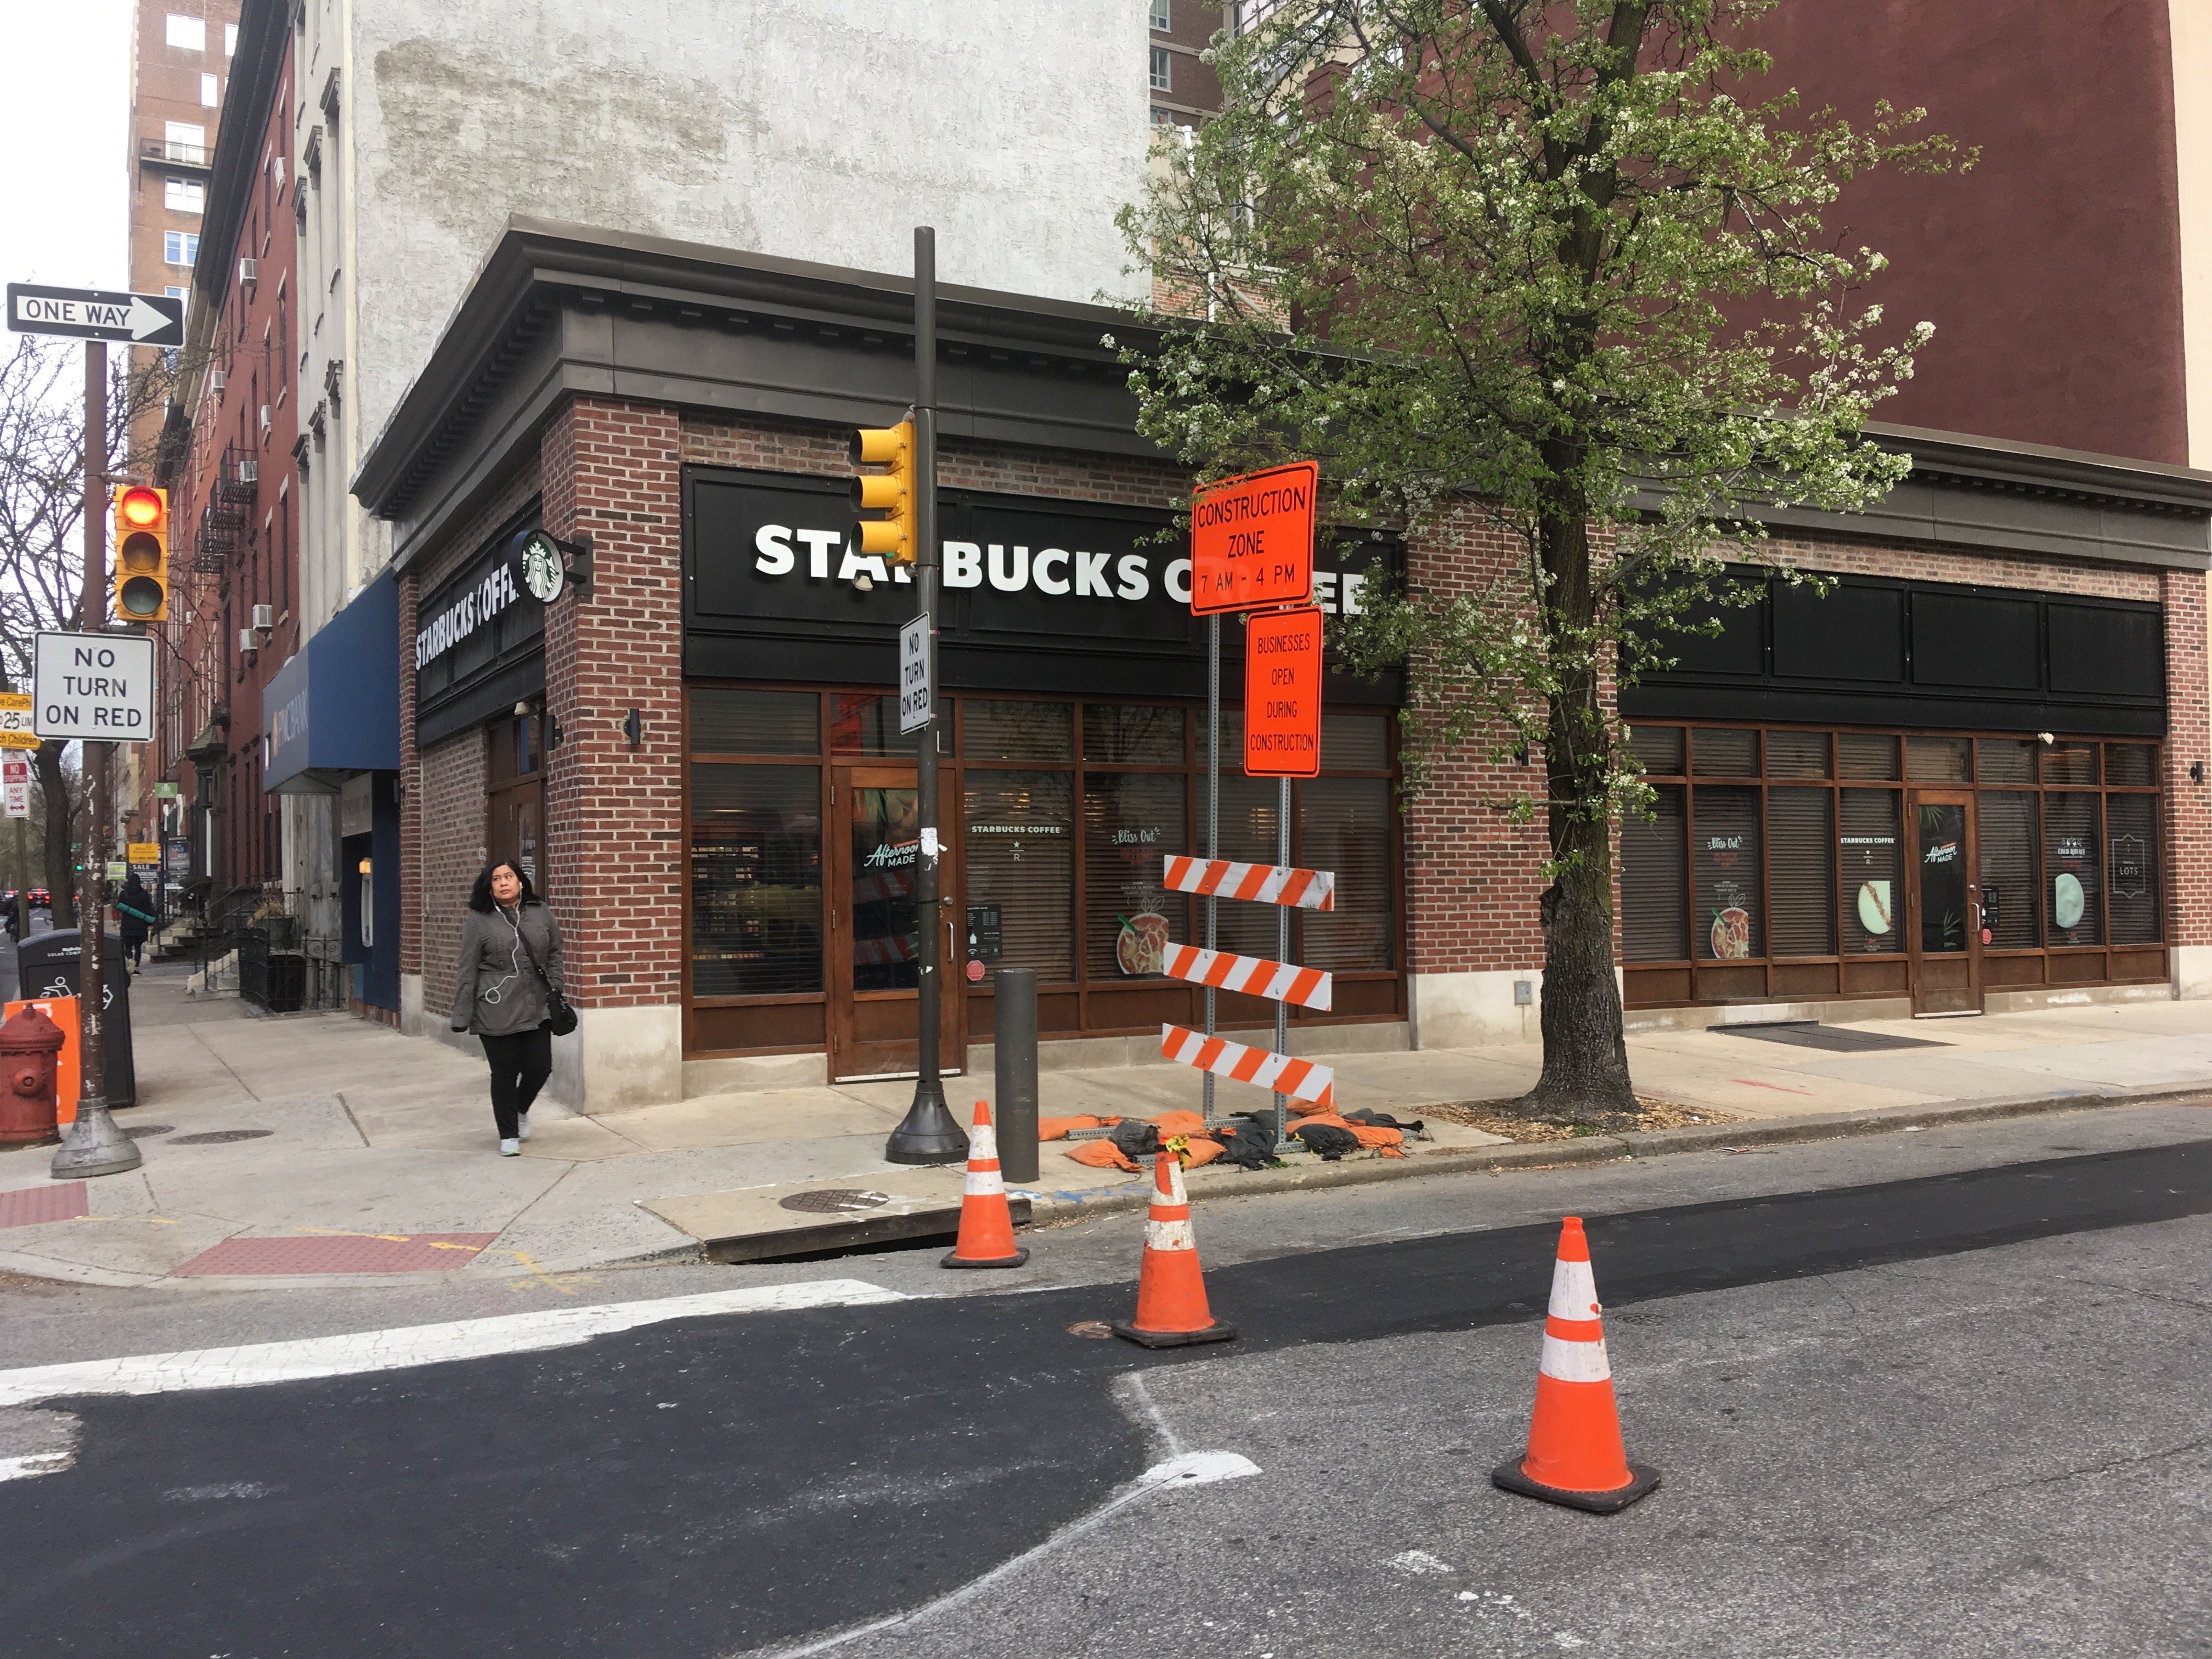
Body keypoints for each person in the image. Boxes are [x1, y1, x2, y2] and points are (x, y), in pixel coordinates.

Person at [451, 860, 565, 1155]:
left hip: (536, 1004)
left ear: (520, 881)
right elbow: (468, 969)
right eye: (496, 879)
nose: (503, 883)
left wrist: (556, 985)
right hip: (495, 1006)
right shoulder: (479, 920)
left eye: (509, 877)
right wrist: (462, 1014)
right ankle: (508, 1135)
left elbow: (554, 951)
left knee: (540, 1067)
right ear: (489, 886)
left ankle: (519, 1110)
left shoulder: (539, 911)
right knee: (504, 1072)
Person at [116, 872, 156, 969]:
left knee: (127, 945)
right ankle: (136, 967)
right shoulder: (144, 894)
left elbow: (119, 907)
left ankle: (130, 960)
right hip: (141, 923)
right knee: (138, 947)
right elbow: (148, 909)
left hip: (127, 923)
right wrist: (149, 923)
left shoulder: (124, 894)